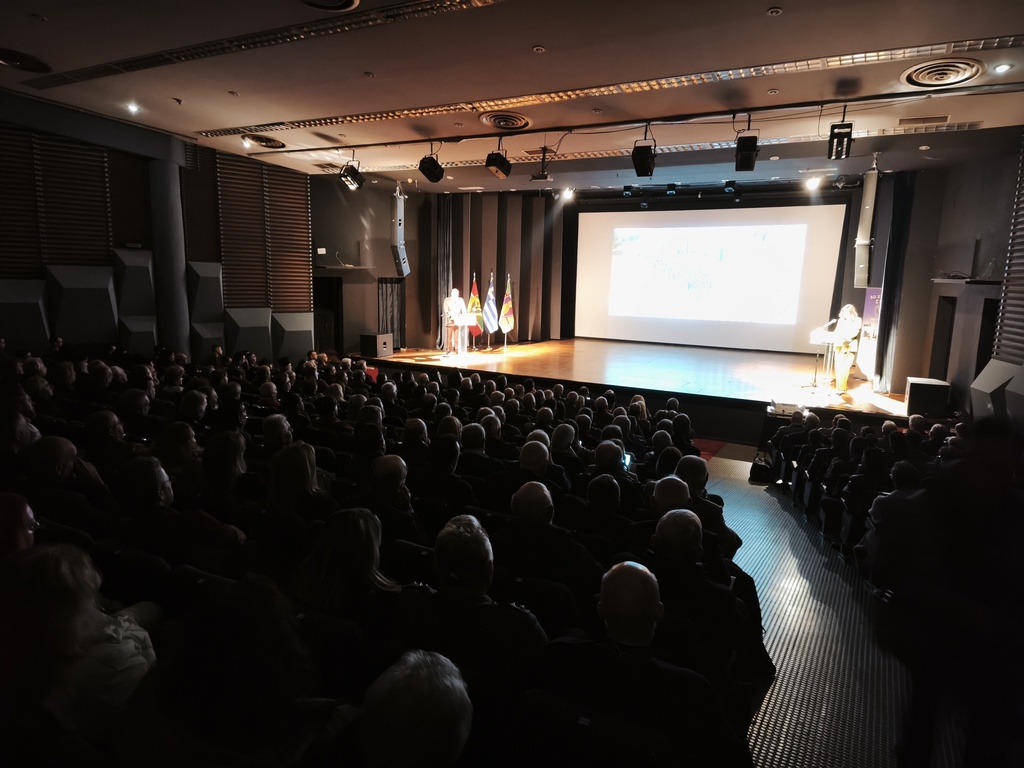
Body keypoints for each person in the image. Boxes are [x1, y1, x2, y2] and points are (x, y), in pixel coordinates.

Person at [833, 303, 862, 392]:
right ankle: (840, 386)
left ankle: (840, 388)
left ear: (851, 312)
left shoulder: (857, 320)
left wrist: (846, 338)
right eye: (843, 311)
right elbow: (837, 331)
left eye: (845, 312)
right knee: (838, 366)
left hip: (849, 346)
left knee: (844, 367)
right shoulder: (841, 320)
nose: (843, 313)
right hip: (839, 345)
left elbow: (855, 332)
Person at [442, 288, 466, 355]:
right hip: (450, 321)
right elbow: (446, 310)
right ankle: (449, 349)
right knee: (449, 336)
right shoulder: (447, 300)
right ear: (452, 294)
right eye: (454, 293)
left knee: (457, 336)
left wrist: (464, 316)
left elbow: (463, 309)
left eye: (457, 294)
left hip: (458, 320)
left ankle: (457, 349)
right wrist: (450, 315)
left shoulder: (460, 300)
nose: (456, 295)